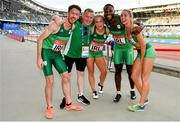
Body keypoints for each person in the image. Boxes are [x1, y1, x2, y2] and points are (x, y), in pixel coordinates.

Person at [37, 5, 82, 119]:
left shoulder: (72, 27)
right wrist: (39, 57)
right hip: (46, 52)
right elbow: (40, 39)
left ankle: (68, 104)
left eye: (77, 14)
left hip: (57, 54)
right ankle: (49, 107)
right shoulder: (56, 25)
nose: (74, 16)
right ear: (67, 13)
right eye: (72, 13)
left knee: (66, 77)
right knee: (50, 81)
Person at [120, 9, 156, 112]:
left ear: (130, 17)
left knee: (144, 78)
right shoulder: (126, 29)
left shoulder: (134, 27)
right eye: (121, 15)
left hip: (147, 51)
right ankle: (145, 98)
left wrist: (142, 59)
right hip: (141, 52)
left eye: (125, 15)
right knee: (134, 76)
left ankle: (141, 104)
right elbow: (136, 44)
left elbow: (143, 44)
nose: (123, 17)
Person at [60, 8, 94, 108]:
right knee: (66, 77)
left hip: (82, 55)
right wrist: (56, 18)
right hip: (69, 54)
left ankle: (81, 95)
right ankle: (65, 97)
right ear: (82, 16)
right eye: (86, 16)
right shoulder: (75, 24)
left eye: (91, 17)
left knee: (81, 75)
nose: (88, 19)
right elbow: (64, 21)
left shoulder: (92, 26)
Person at [103, 4, 136, 102]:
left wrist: (141, 25)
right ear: (104, 12)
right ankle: (118, 93)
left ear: (114, 11)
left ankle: (132, 90)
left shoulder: (120, 18)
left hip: (128, 48)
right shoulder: (105, 20)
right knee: (118, 71)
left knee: (130, 71)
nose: (108, 13)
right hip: (118, 49)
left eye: (110, 11)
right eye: (106, 11)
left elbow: (133, 22)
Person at [87, 15, 110, 99]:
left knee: (104, 71)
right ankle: (94, 91)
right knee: (91, 72)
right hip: (90, 53)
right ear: (94, 23)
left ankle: (100, 83)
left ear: (103, 22)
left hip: (99, 53)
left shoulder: (107, 31)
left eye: (100, 21)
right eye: (96, 21)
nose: (99, 23)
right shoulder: (92, 30)